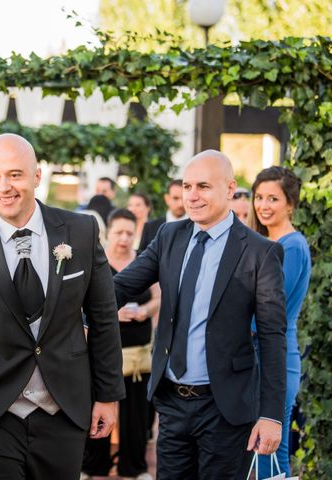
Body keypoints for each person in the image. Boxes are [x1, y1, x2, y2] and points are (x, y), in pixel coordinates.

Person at [0, 134, 125, 480]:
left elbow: (103, 318)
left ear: (37, 176)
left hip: (63, 409)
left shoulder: (80, 231)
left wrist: (108, 396)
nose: (3, 187)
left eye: (14, 175)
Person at [113, 150, 287, 479]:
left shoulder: (260, 252)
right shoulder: (169, 236)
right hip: (172, 402)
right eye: (188, 186)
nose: (192, 196)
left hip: (225, 408)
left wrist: (271, 415)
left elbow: (272, 337)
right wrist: (79, 315)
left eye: (203, 186)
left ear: (229, 188)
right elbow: (120, 287)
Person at [82, 208, 158, 480]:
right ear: (109, 233)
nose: (124, 238)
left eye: (129, 232)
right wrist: (114, 314)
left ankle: (134, 466)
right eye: (119, 233)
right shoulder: (98, 261)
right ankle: (94, 465)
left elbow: (158, 297)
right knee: (100, 407)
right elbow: (87, 304)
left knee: (136, 413)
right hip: (106, 350)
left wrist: (145, 311)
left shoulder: (144, 260)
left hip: (138, 354)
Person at [250, 166, 311, 478]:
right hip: (257, 356)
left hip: (274, 358)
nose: (263, 205)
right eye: (259, 197)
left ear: (291, 203)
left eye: (273, 198)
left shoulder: (292, 246)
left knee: (272, 453)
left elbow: (269, 312)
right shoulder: (267, 242)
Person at [138, 179, 186, 253]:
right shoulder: (150, 227)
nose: (181, 204)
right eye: (175, 198)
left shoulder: (197, 227)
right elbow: (142, 257)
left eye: (184, 198)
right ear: (167, 199)